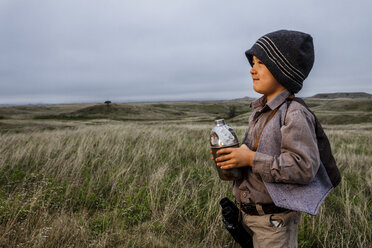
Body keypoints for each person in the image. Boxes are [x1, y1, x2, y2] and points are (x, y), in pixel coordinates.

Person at [211, 30, 322, 248]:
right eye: (252, 62)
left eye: (261, 62)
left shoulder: (294, 113)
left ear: (283, 70)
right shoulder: (259, 111)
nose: (252, 69)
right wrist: (236, 158)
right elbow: (255, 154)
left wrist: (251, 158)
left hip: (274, 225)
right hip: (249, 217)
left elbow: (304, 167)